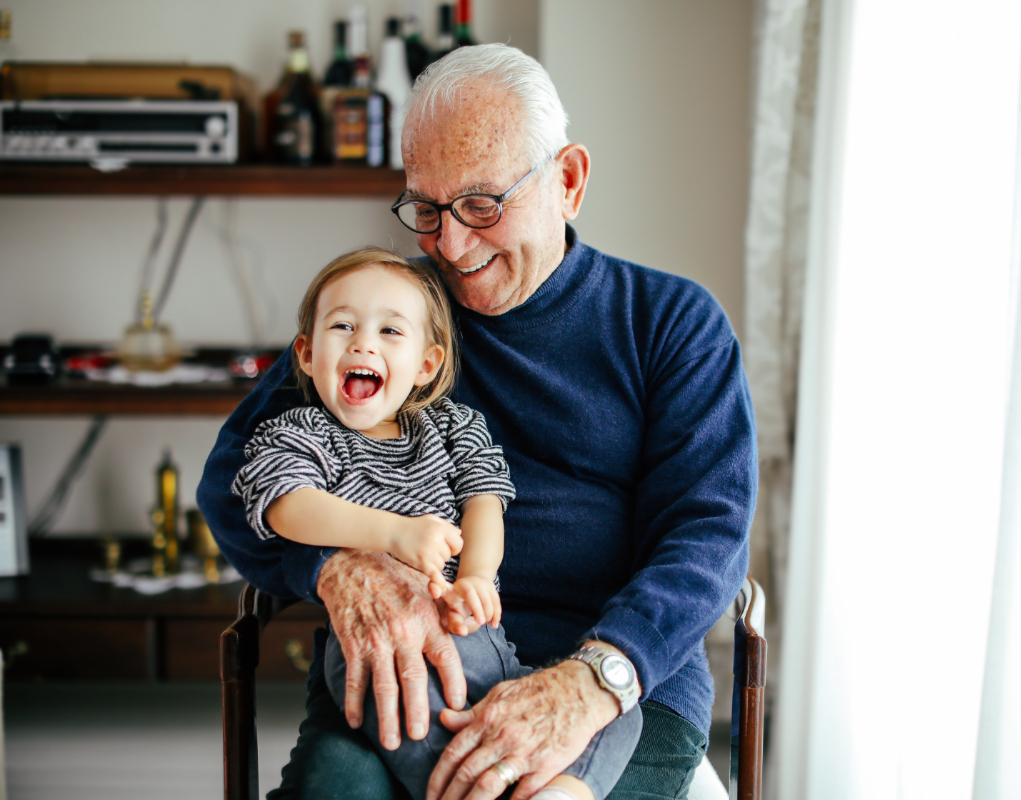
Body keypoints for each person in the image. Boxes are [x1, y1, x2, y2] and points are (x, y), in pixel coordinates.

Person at [198, 43, 756, 800]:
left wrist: (590, 684)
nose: (450, 247)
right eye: (425, 209)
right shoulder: (391, 319)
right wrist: (335, 565)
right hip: (413, 665)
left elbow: (707, 535)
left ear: (568, 181)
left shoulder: (670, 323)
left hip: (614, 681)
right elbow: (236, 478)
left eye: (481, 205)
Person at [230, 247, 641, 800]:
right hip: (379, 647)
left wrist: (475, 575)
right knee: (408, 714)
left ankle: (562, 792)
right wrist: (393, 534)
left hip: (483, 643)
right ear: (305, 354)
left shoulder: (451, 427)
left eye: (390, 331)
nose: (363, 343)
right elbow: (286, 504)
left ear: (426, 364)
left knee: (617, 711)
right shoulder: (303, 433)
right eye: (343, 325)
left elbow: (486, 502)